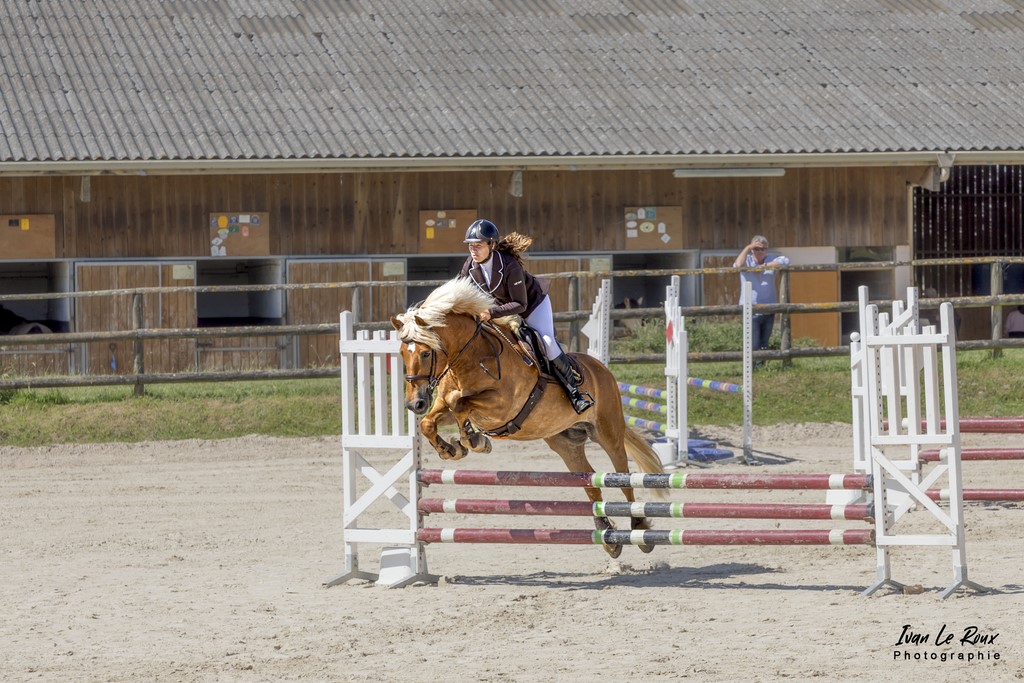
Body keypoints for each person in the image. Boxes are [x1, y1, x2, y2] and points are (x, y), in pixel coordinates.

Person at [458, 219, 593, 413]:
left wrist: (491, 312)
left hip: (532, 306)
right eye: (471, 246)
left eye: (478, 245)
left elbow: (520, 304)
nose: (473, 250)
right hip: (500, 309)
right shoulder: (470, 266)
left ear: (492, 245)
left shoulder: (510, 265)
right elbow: (460, 291)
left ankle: (575, 394)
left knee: (546, 342)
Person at [733, 235, 790, 362]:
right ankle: (752, 367)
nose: (760, 251)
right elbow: (738, 265)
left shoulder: (771, 259)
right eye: (757, 248)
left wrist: (765, 266)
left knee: (764, 341)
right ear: (752, 249)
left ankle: (762, 367)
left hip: (769, 308)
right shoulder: (746, 260)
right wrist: (747, 247)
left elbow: (785, 260)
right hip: (750, 308)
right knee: (753, 342)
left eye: (763, 249)